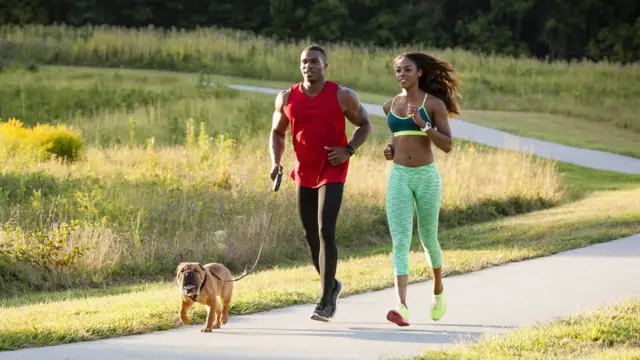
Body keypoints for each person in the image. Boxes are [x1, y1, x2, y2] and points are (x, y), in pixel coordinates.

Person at [269, 45, 372, 321]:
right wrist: (276, 162)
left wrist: (348, 149)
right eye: (304, 62)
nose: (308, 66)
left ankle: (326, 301)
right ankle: (333, 285)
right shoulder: (287, 97)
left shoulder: (342, 96)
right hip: (304, 171)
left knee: (326, 229)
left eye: (314, 62)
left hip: (333, 168)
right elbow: (277, 133)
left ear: (325, 66)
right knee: (310, 235)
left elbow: (365, 125)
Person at [381, 51, 460, 326]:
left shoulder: (434, 104)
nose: (401, 74)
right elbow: (397, 137)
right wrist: (391, 149)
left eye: (407, 69)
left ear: (419, 73)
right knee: (400, 241)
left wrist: (423, 125)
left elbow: (447, 145)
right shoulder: (390, 105)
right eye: (398, 70)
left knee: (428, 239)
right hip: (399, 176)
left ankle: (438, 290)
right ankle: (401, 306)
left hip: (426, 176)